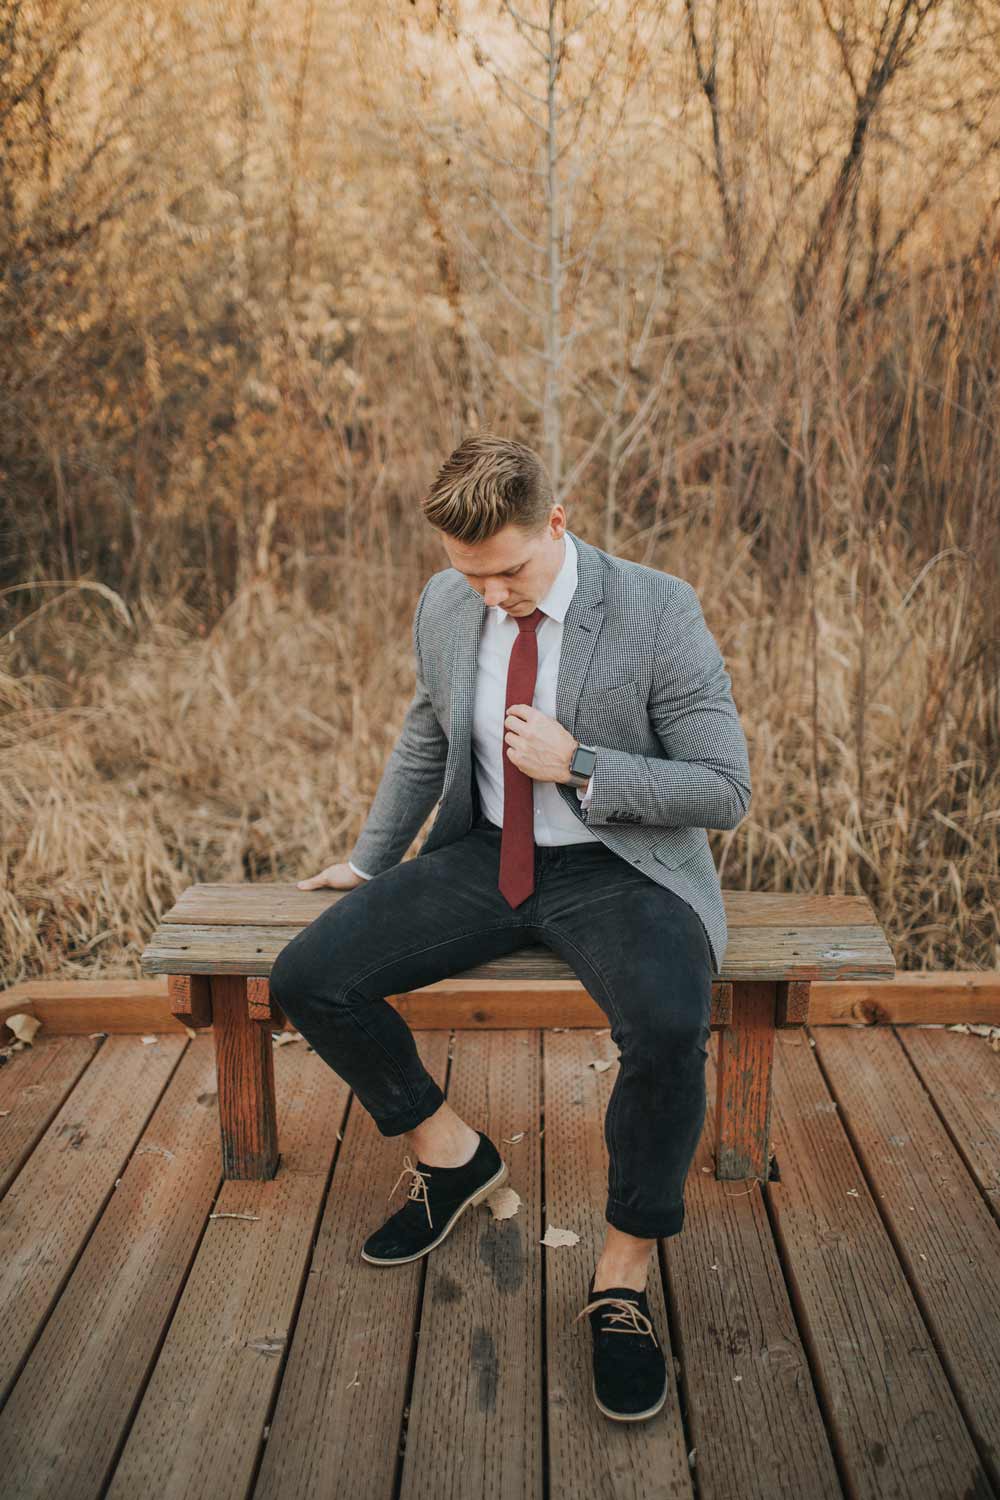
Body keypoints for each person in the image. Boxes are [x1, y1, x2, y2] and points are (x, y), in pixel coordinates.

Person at [268, 432, 751, 1422]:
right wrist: (368, 858)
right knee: (309, 975)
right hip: (487, 855)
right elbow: (426, 730)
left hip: (622, 870)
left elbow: (724, 791)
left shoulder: (656, 609)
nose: (493, 595)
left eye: (510, 570)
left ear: (556, 524)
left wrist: (580, 765)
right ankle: (453, 1157)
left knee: (665, 1030)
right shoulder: (448, 603)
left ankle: (620, 1280)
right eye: (471, 574)